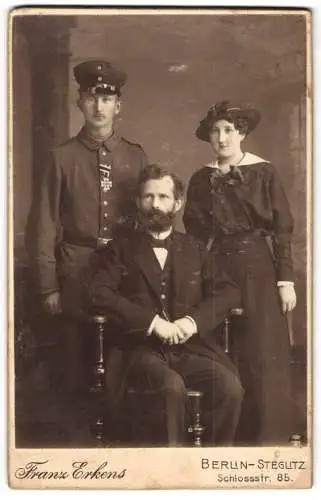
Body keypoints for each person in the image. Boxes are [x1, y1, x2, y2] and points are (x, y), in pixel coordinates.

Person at [88, 164, 244, 446]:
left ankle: (214, 468)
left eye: (163, 197)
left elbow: (228, 292)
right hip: (138, 349)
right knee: (171, 387)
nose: (155, 205)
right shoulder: (118, 249)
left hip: (190, 348)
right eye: (148, 197)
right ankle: (171, 471)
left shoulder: (195, 248)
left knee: (229, 387)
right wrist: (152, 323)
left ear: (178, 203)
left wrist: (191, 322)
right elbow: (99, 293)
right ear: (138, 201)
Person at [25, 60, 148, 393]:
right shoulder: (60, 157)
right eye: (92, 98)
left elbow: (146, 221)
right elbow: (43, 225)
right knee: (75, 364)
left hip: (122, 273)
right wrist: (48, 286)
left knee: (122, 364)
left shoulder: (135, 158)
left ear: (118, 105)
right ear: (79, 102)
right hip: (74, 271)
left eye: (106, 99)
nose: (99, 106)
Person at [183, 100, 297, 445]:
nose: (222, 137)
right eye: (216, 131)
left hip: (258, 267)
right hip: (216, 266)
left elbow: (282, 228)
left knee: (262, 350)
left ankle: (267, 438)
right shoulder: (201, 178)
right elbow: (194, 231)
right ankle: (228, 436)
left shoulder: (264, 172)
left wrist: (285, 278)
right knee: (220, 347)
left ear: (242, 133)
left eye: (229, 130)